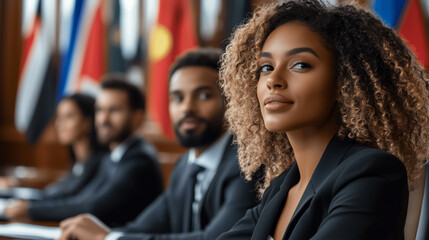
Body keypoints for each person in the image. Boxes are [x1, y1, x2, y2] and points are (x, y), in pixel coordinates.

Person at [216, 0, 429, 239]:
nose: (273, 79)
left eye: (300, 65)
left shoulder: (372, 172)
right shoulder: (279, 189)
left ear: (343, 83)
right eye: (266, 67)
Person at [57, 48, 259, 240]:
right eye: (177, 98)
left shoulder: (246, 166)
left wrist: (109, 238)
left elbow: (216, 239)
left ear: (231, 101)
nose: (187, 107)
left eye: (204, 95)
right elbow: (140, 228)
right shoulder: (184, 166)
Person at [4, 76, 164, 227]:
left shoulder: (139, 159)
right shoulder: (113, 158)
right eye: (100, 110)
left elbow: (93, 206)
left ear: (137, 117)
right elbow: (81, 198)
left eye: (114, 110)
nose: (103, 119)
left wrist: (30, 209)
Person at [0, 93, 106, 199]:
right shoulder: (78, 163)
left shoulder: (100, 164)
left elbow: (63, 199)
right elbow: (54, 192)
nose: (60, 124)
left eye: (68, 116)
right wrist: (15, 185)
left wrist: (19, 196)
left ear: (87, 122)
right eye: (58, 117)